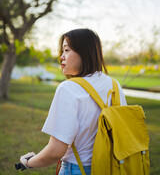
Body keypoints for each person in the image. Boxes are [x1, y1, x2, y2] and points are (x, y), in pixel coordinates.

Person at [20, 28, 127, 175]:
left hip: (78, 169)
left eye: (67, 50)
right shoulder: (114, 85)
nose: (61, 57)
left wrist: (28, 162)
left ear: (84, 52)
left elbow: (55, 151)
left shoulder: (68, 88)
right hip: (113, 167)